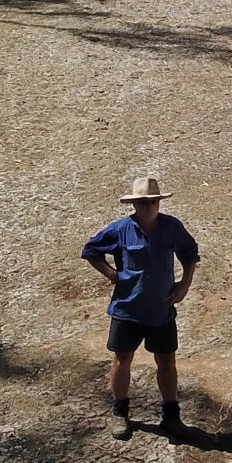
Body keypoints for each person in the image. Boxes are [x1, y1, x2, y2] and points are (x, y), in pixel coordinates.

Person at [81, 177, 200, 440]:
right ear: (134, 203)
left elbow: (190, 253)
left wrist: (184, 285)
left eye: (153, 201)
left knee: (167, 362)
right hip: (127, 310)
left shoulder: (171, 227)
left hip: (161, 309)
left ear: (159, 202)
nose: (149, 207)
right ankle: (120, 413)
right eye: (143, 202)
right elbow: (91, 250)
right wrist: (111, 274)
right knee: (122, 361)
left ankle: (171, 416)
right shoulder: (120, 230)